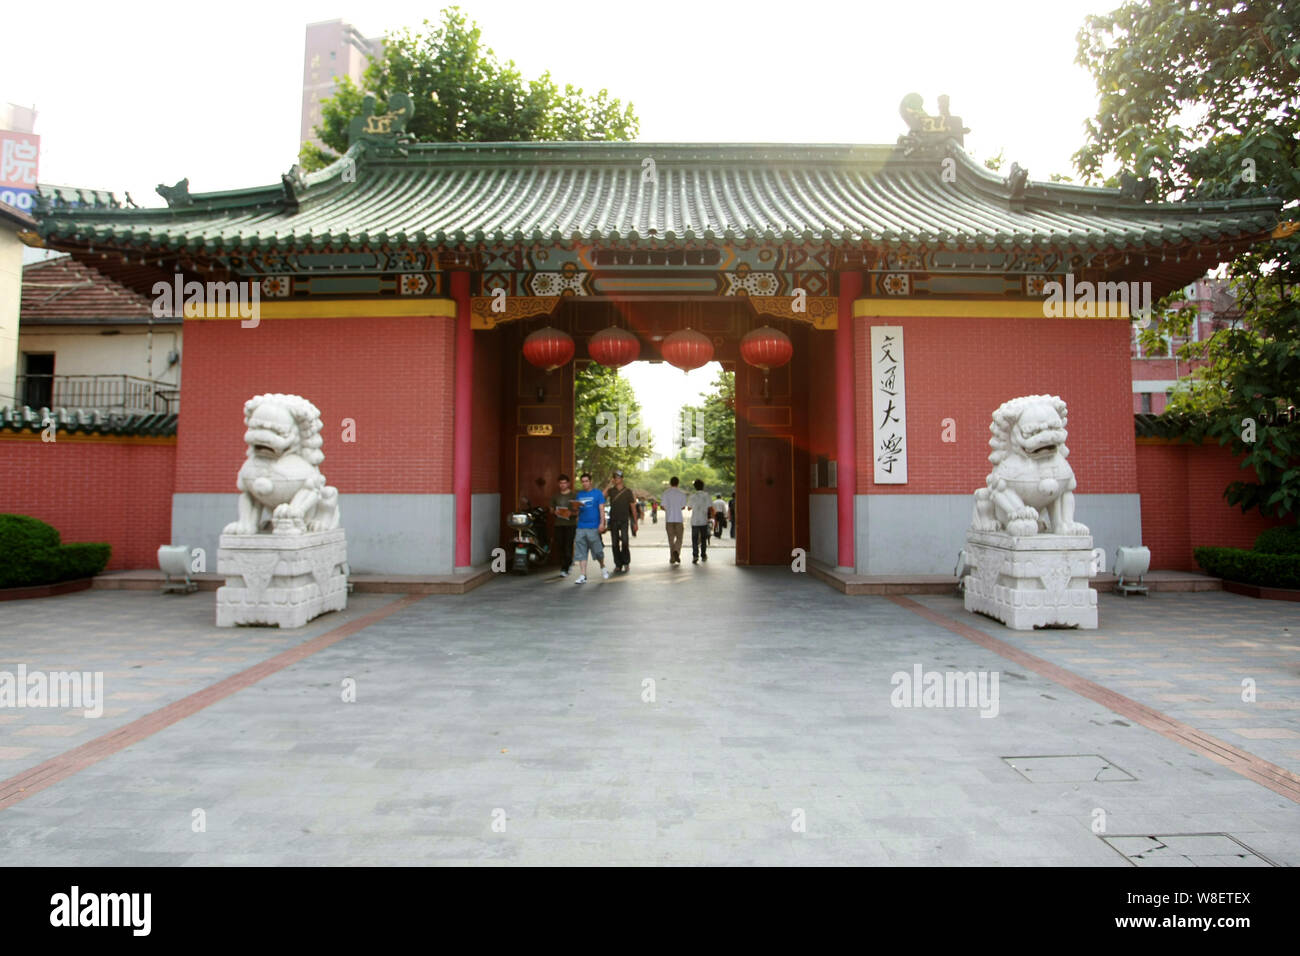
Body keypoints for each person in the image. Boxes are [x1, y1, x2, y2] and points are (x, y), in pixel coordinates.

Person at [571, 472, 609, 583]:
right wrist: (575, 509)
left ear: (590, 482)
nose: (584, 483)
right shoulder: (579, 495)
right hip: (581, 526)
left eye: (586, 481)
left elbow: (601, 509)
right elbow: (577, 511)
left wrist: (602, 523)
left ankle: (602, 566)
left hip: (593, 527)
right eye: (582, 481)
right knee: (581, 551)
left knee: (598, 552)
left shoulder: (597, 494)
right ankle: (583, 575)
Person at [606, 469, 638, 574]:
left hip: (624, 520)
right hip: (614, 520)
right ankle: (618, 564)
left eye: (619, 477)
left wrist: (635, 523)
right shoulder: (611, 491)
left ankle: (626, 562)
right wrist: (609, 484)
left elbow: (633, 507)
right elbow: (601, 496)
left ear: (622, 478)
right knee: (615, 544)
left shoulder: (628, 491)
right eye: (615, 478)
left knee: (625, 542)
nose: (617, 479)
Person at [550, 474, 577, 577]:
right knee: (560, 545)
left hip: (570, 524)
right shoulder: (555, 496)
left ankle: (566, 567)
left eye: (564, 483)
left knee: (568, 545)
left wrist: (571, 513)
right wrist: (555, 512)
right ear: (558, 484)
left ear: (568, 484)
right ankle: (564, 564)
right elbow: (551, 509)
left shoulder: (573, 496)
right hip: (559, 524)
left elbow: (578, 510)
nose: (562, 485)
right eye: (561, 483)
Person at [660, 477, 687, 565]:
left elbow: (662, 506)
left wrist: (668, 510)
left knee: (671, 539)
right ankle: (676, 551)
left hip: (669, 519)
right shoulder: (682, 494)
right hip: (679, 519)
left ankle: (672, 558)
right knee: (679, 538)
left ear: (670, 483)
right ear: (678, 483)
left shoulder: (665, 493)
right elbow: (683, 507)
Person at [687, 479, 714, 564]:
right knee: (703, 539)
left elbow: (689, 508)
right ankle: (703, 555)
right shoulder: (707, 495)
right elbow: (710, 508)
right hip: (703, 520)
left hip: (695, 521)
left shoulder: (692, 496)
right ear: (703, 486)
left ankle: (695, 556)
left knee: (694, 539)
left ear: (695, 487)